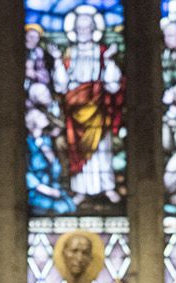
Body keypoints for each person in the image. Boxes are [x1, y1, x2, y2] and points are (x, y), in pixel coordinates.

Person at [53, 5, 123, 205]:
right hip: (75, 111)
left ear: (94, 29)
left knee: (102, 149)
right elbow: (61, 85)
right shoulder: (69, 53)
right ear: (74, 30)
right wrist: (58, 61)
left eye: (88, 28)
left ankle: (107, 186)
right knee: (77, 150)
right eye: (80, 28)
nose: (84, 32)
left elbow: (112, 85)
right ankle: (80, 189)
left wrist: (109, 61)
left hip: (98, 108)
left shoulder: (102, 52)